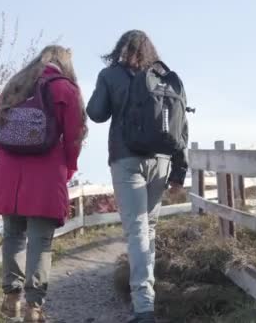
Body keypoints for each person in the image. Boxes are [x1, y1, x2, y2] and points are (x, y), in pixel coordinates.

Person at [87, 30, 188, 323]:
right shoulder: (165, 76)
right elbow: (182, 127)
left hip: (127, 158)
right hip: (162, 161)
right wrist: (180, 170)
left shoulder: (111, 75)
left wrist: (105, 86)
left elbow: (95, 113)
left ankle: (144, 307)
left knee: (137, 230)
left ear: (120, 48)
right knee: (149, 228)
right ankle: (147, 298)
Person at [0, 45, 87, 322]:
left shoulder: (15, 85)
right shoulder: (65, 89)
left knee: (13, 235)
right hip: (46, 173)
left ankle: (10, 300)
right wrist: (69, 168)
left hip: (8, 173)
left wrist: (9, 160)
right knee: (40, 241)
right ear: (64, 65)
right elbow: (74, 137)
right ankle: (33, 308)